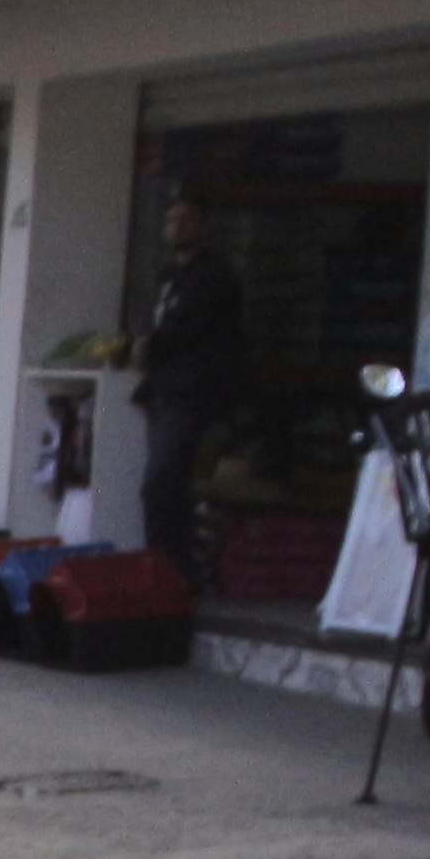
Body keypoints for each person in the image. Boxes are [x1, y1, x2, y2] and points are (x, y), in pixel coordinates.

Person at [132, 192, 245, 585]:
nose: (176, 227)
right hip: (163, 390)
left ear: (202, 225)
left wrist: (154, 345)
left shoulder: (213, 275)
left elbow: (192, 327)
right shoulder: (168, 276)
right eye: (170, 220)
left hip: (191, 391)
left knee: (161, 482)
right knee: (168, 484)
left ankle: (170, 570)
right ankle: (164, 567)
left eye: (186, 219)